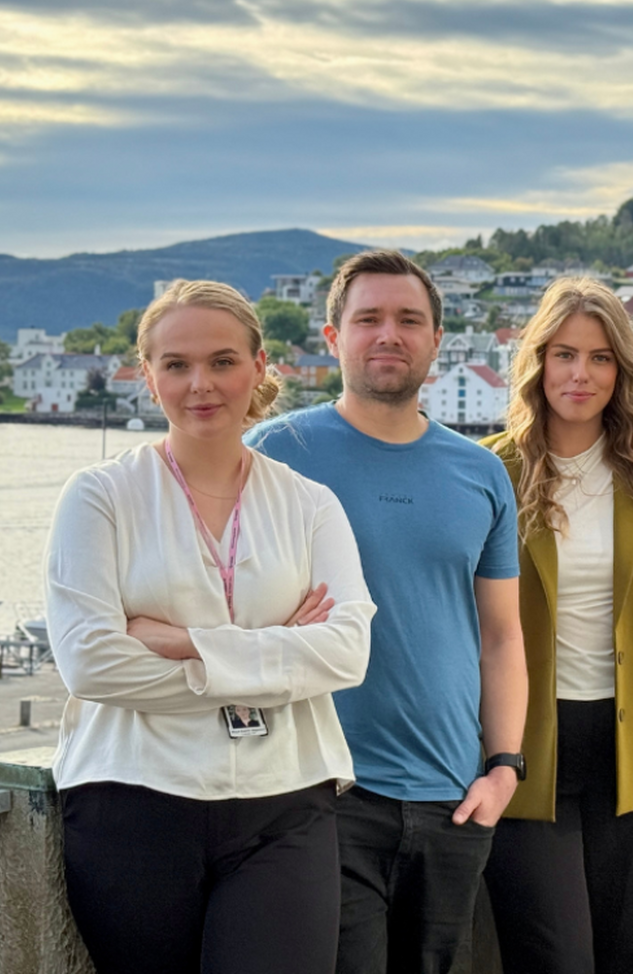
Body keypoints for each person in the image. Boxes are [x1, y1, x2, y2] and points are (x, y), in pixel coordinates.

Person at [46, 279, 375, 974]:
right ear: (148, 376)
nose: (201, 383)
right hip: (131, 799)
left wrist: (181, 642)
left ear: (258, 367)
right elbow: (91, 664)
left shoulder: (311, 504)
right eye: (177, 364)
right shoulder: (99, 497)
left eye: (223, 361)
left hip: (286, 799)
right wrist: (279, 652)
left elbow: (347, 653)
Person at [246, 249, 528, 974]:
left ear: (437, 340)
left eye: (408, 320)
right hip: (323, 790)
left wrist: (503, 769)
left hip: (454, 797)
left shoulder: (481, 472)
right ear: (333, 335)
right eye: (367, 318)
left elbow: (501, 635)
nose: (388, 334)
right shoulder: (275, 453)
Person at [479, 277, 633, 974]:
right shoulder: (492, 470)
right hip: (526, 745)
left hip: (631, 750)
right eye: (564, 354)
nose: (580, 374)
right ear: (538, 364)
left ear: (622, 372)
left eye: (600, 357)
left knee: (628, 953)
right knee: (556, 956)